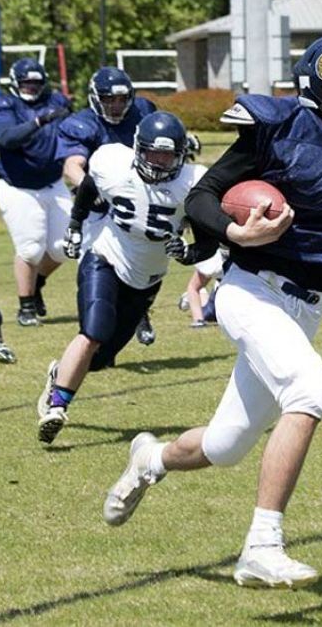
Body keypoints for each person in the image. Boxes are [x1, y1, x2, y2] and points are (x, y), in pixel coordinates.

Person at [101, 31, 322, 589]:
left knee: (225, 446)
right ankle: (261, 546)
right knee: (311, 393)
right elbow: (201, 197)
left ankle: (150, 459)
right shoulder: (277, 128)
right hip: (250, 290)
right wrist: (237, 235)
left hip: (307, 308)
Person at [36, 111, 213, 444]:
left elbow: (210, 239)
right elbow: (89, 185)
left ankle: (59, 374)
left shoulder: (194, 183)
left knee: (101, 358)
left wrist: (188, 253)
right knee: (93, 332)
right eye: (152, 154)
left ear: (181, 154)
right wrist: (75, 225)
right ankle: (57, 406)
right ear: (137, 149)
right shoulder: (112, 163)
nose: (159, 163)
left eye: (167, 155)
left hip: (148, 277)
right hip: (105, 256)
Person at [56, 66, 160, 345]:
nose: (115, 106)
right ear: (94, 98)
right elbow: (72, 165)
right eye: (108, 99)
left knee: (141, 263)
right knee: (95, 269)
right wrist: (90, 187)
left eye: (121, 99)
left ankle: (138, 312)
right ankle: (92, 336)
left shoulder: (143, 111)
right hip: (97, 210)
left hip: (138, 206)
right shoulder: (82, 124)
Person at [0, 57, 73, 327]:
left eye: (36, 82)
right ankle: (25, 307)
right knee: (31, 249)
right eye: (27, 82)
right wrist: (40, 121)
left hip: (53, 182)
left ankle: (35, 285)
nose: (32, 87)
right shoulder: (4, 104)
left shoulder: (56, 101)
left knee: (65, 247)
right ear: (15, 82)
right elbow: (7, 138)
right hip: (18, 187)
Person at [178, 246, 227, 327]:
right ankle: (191, 297)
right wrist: (198, 320)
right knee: (209, 314)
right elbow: (193, 287)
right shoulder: (214, 259)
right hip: (222, 293)